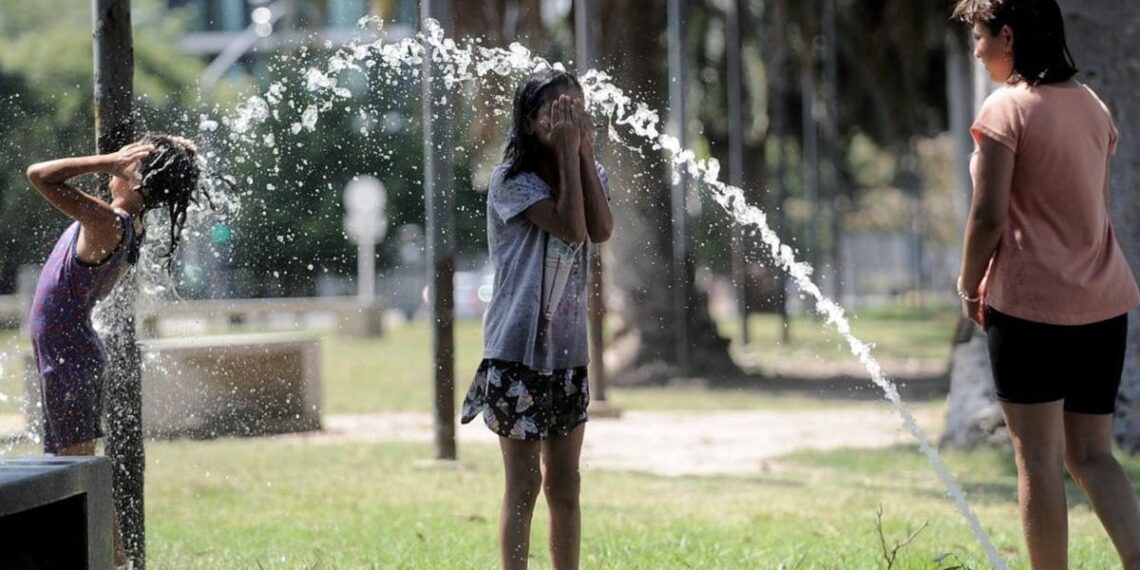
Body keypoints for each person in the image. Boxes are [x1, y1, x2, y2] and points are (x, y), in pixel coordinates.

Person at [954, 1, 1140, 567]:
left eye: (981, 38)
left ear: (1007, 36)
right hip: (1103, 301)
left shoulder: (1006, 109)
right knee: (1092, 454)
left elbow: (988, 215)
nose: (978, 50)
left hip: (1032, 307)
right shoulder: (1093, 107)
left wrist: (967, 287)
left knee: (1037, 459)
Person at [459, 67, 613, 570]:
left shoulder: (589, 170)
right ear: (529, 124)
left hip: (567, 353)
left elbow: (600, 229)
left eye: (576, 107)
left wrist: (583, 155)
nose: (568, 116)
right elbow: (570, 229)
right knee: (523, 486)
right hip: (516, 351)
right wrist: (571, 152)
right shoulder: (511, 182)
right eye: (556, 110)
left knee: (565, 483)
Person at [26, 133, 202, 568]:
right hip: (72, 356)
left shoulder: (107, 223)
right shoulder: (124, 223)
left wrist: (106, 160)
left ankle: (114, 563)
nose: (119, 165)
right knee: (74, 477)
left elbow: (40, 176)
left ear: (139, 179)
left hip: (69, 359)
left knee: (77, 481)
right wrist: (170, 152)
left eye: (129, 162)